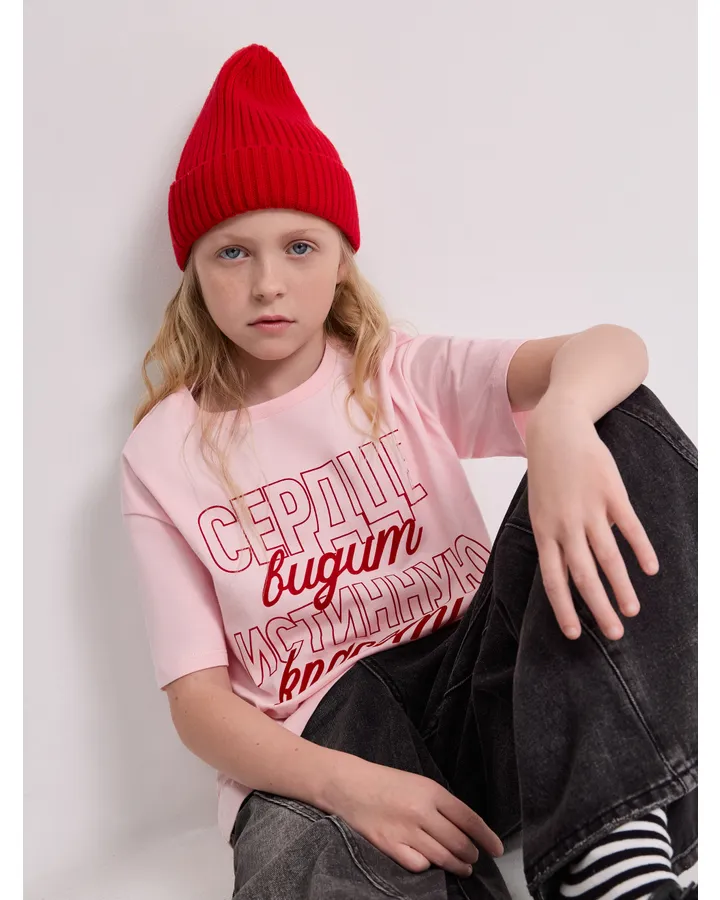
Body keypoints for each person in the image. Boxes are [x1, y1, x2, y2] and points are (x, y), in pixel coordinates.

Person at [120, 44, 697, 900]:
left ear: (341, 257)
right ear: (194, 274)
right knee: (296, 869)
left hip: (482, 699)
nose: (269, 282)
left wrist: (561, 419)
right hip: (320, 749)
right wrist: (350, 786)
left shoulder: (397, 372)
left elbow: (611, 347)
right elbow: (198, 702)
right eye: (232, 253)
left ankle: (606, 854)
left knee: (623, 421)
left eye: (300, 246)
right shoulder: (160, 452)